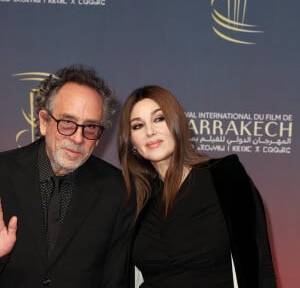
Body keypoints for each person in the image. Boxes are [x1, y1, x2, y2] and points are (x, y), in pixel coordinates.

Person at [117, 85, 277, 288]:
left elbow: (261, 267)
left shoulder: (226, 177)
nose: (150, 131)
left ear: (176, 124)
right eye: (138, 126)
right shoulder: (134, 199)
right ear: (131, 142)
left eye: (159, 119)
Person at [0, 65, 135, 288]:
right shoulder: (2, 173)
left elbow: (116, 280)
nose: (78, 138)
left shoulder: (117, 190)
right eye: (68, 123)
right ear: (44, 121)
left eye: (90, 127)